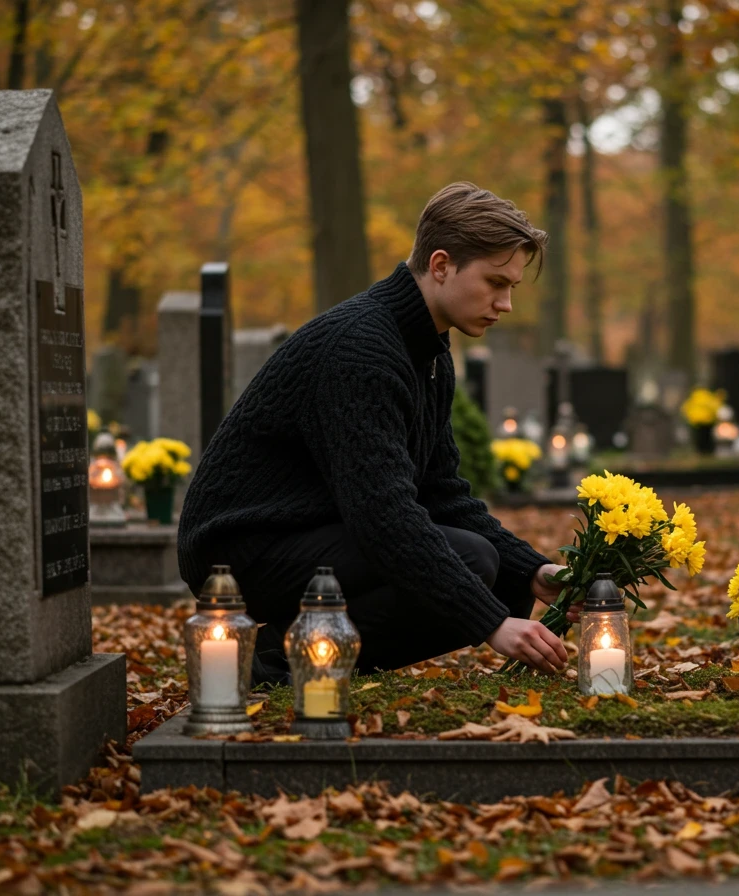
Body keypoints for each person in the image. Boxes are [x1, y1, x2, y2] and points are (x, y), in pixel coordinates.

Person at [177, 182, 574, 683]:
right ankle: (272, 664)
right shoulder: (360, 349)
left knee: (500, 575)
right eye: (496, 282)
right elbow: (383, 517)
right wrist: (492, 624)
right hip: (243, 548)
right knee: (473, 567)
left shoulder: (428, 351)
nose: (506, 303)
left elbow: (441, 493)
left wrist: (534, 570)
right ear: (441, 265)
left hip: (317, 529)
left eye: (512, 286)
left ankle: (300, 648)